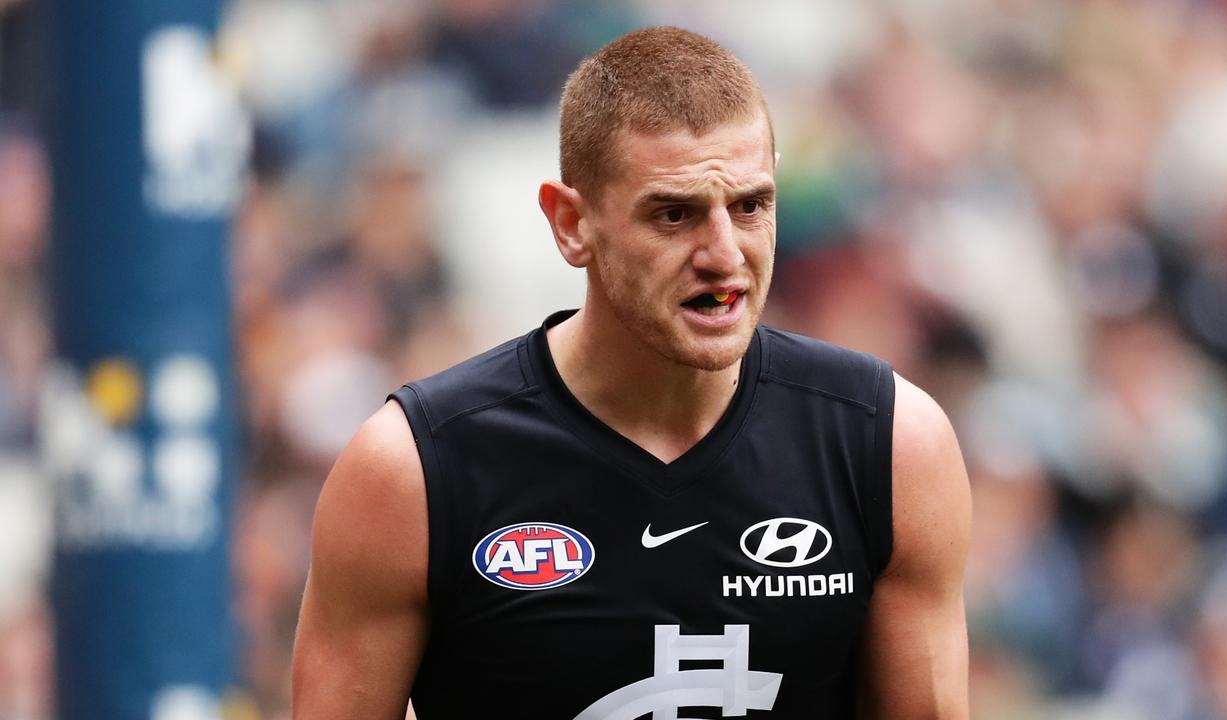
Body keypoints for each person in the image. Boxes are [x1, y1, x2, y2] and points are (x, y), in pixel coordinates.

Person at [291, 26, 970, 719]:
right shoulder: (412, 470)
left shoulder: (888, 445)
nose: (724, 255)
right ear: (570, 224)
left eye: (750, 206)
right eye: (674, 214)